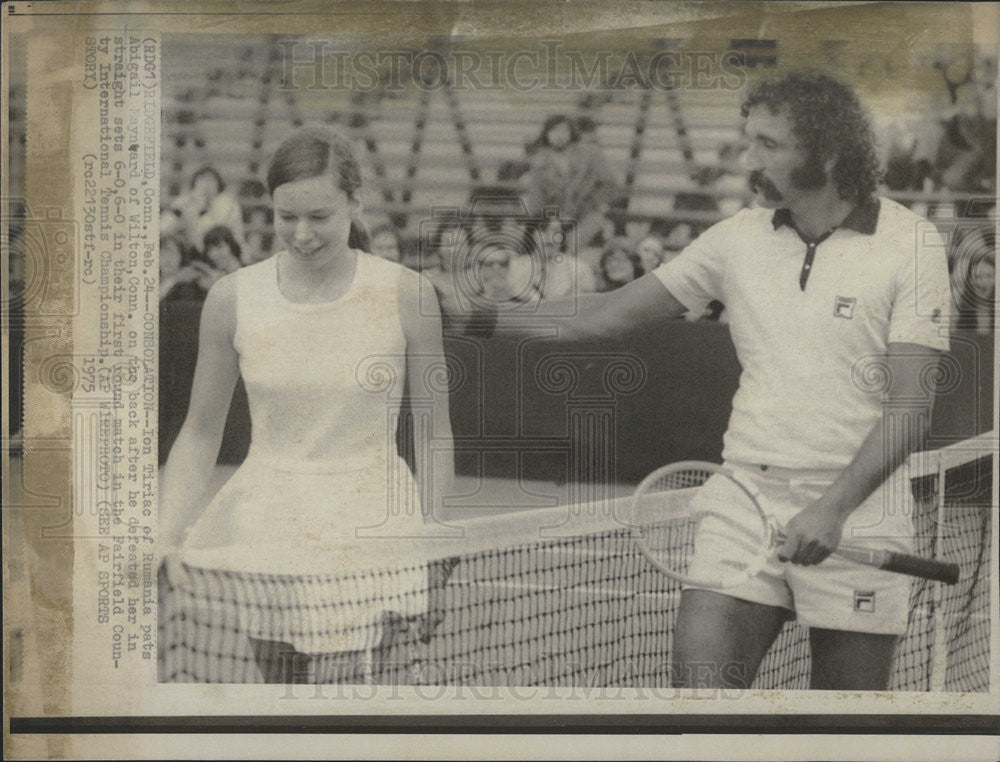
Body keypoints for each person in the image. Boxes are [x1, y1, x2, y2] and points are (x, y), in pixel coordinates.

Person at [455, 71, 952, 691]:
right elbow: (604, 315)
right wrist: (471, 315)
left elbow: (910, 408)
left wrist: (832, 509)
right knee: (701, 713)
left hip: (859, 510)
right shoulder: (735, 240)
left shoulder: (911, 244)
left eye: (770, 145)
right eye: (750, 142)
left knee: (842, 735)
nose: (751, 161)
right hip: (743, 501)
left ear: (826, 153)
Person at [159, 127, 455, 683]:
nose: (301, 234)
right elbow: (200, 434)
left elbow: (434, 431)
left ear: (355, 204)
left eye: (319, 216)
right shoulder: (230, 299)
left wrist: (435, 545)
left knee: (350, 717)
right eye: (285, 216)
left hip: (373, 520)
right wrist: (165, 533)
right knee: (282, 708)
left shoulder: (408, 294)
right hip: (269, 520)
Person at [172, 165, 246, 252]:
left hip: (224, 248)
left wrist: (200, 206)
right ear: (195, 183)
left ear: (218, 184)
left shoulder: (227, 202)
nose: (206, 184)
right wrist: (194, 203)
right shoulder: (187, 199)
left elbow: (216, 228)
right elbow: (169, 222)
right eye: (202, 180)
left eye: (211, 180)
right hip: (193, 248)